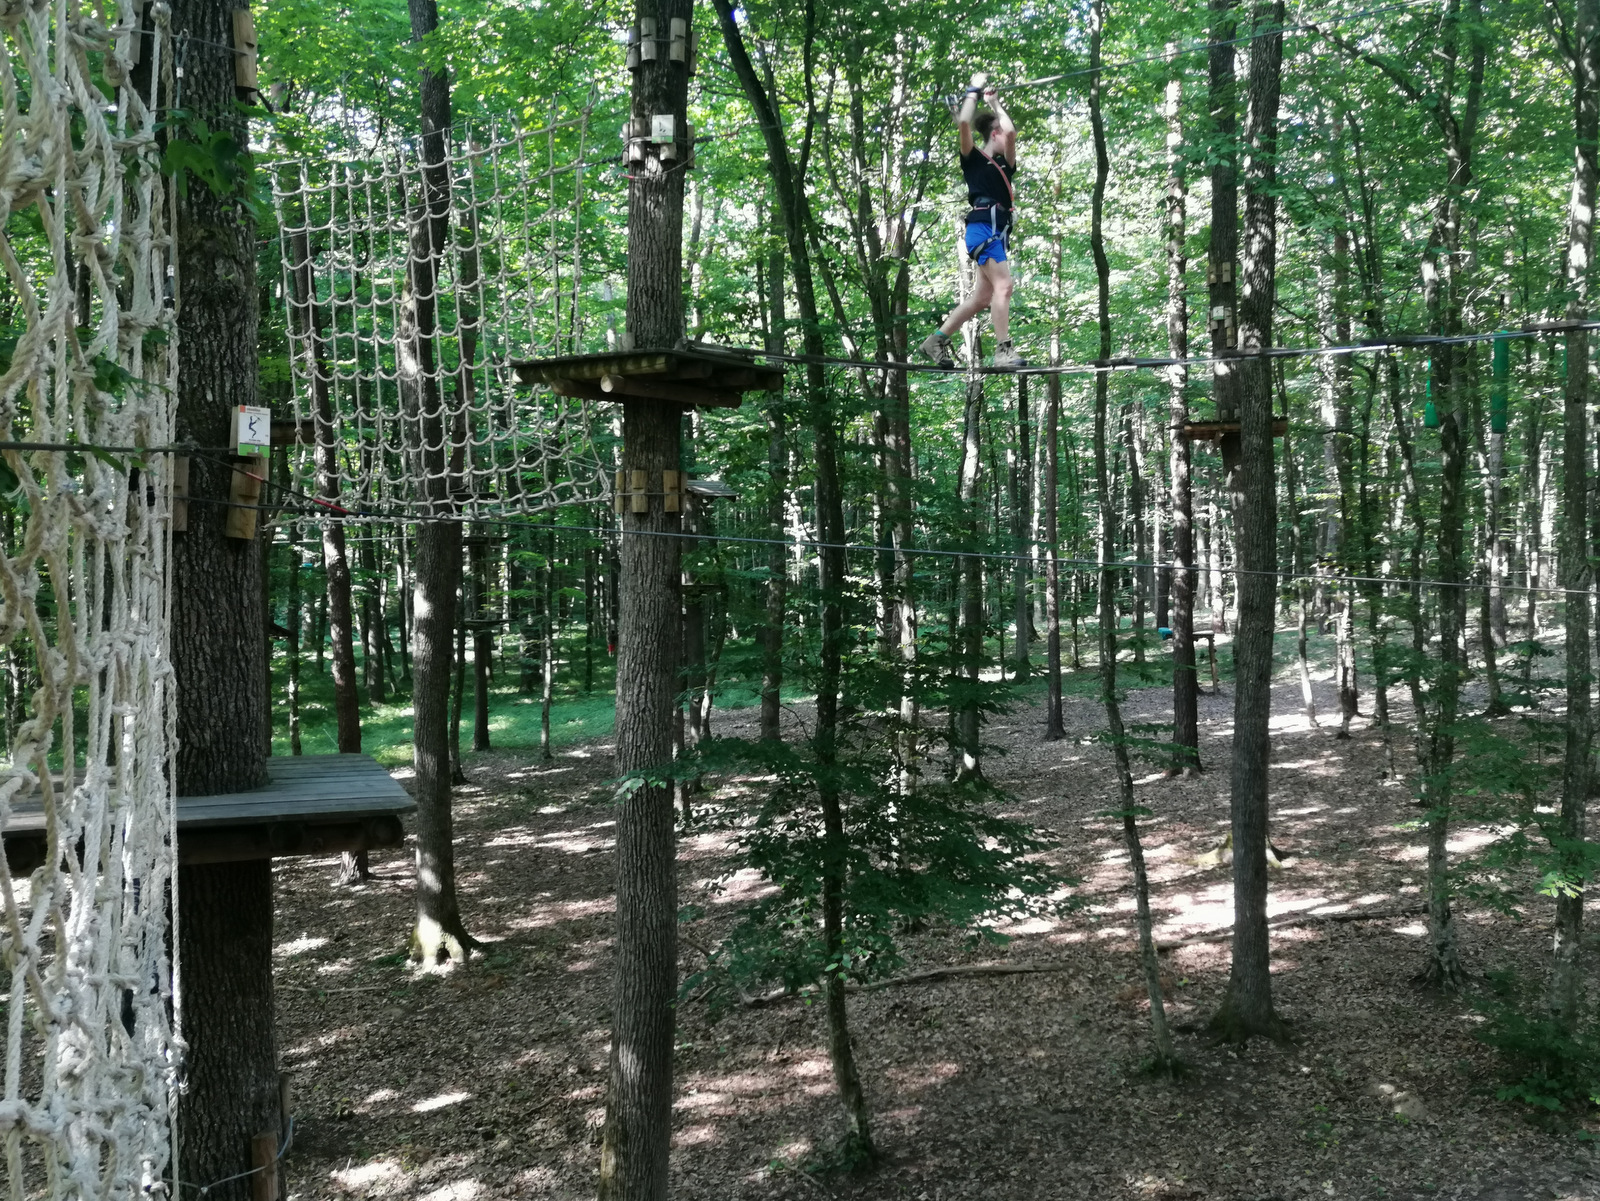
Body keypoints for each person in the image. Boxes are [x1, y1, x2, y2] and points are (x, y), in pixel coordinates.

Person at [919, 73, 1026, 370]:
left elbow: (1011, 131)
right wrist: (974, 91)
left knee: (982, 297)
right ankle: (1003, 351)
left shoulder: (1006, 164)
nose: (1009, 136)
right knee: (1004, 286)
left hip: (996, 232)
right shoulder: (973, 159)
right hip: (982, 229)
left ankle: (936, 340)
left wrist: (995, 103)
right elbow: (964, 123)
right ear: (994, 136)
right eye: (1002, 133)